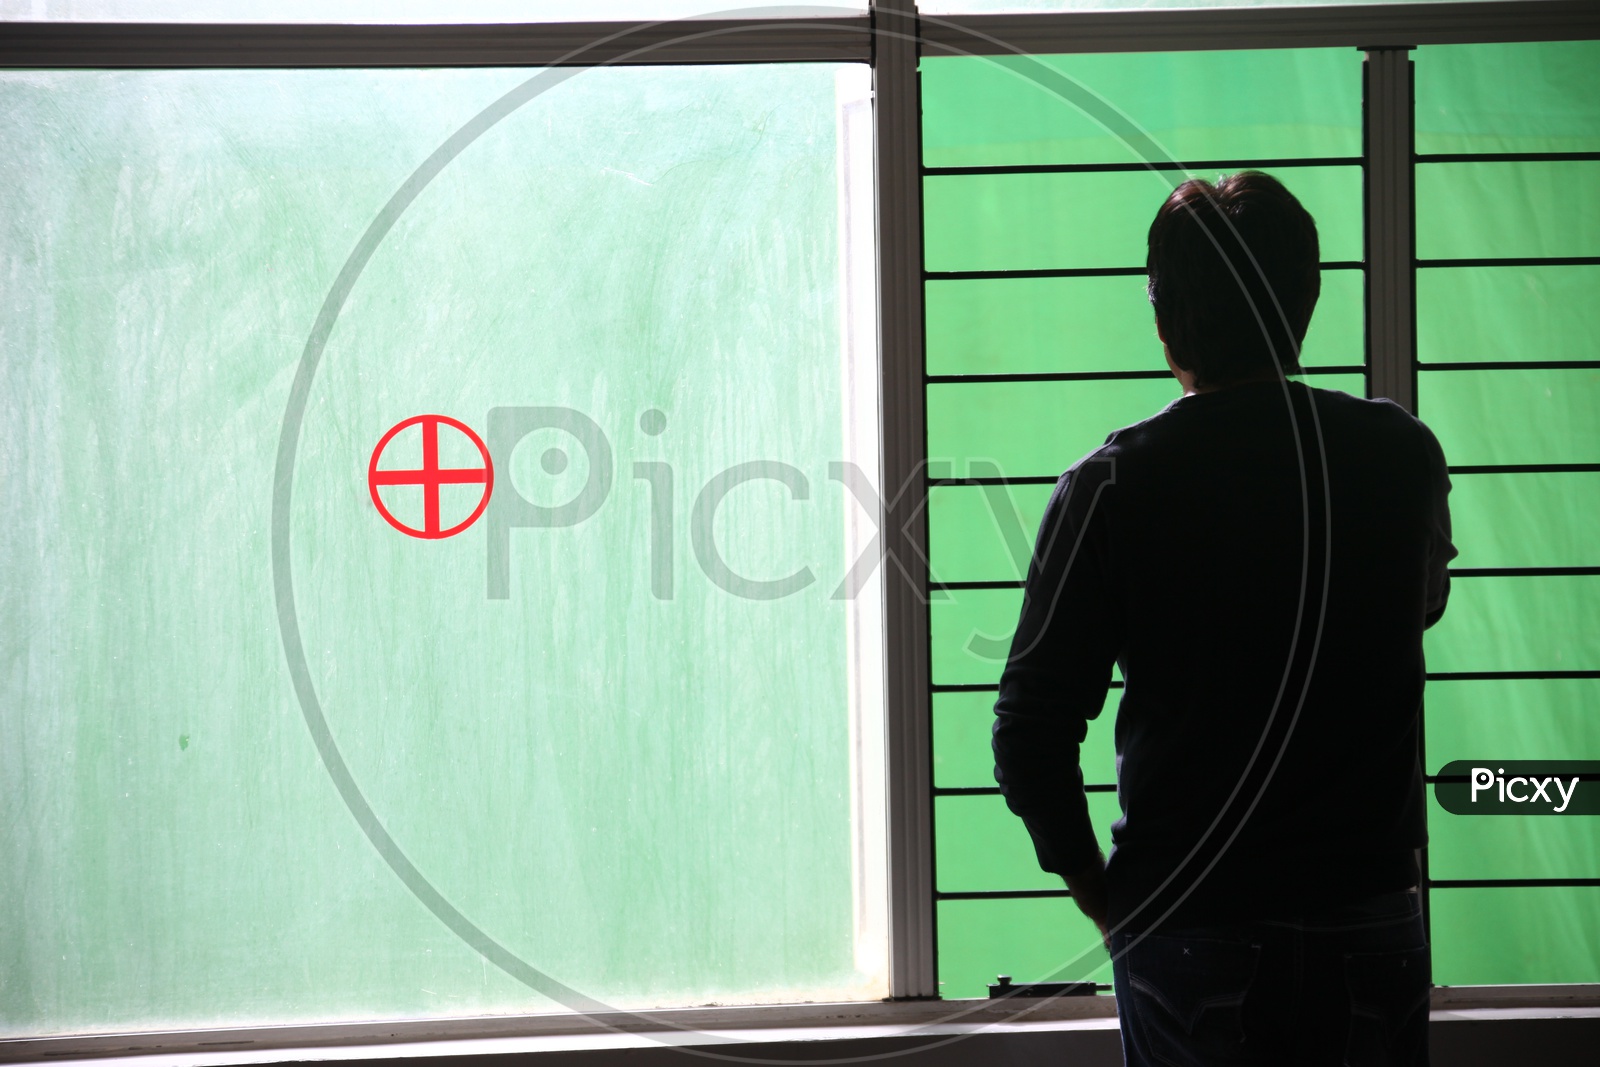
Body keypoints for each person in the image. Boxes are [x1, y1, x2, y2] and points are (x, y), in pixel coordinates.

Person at [992, 171, 1455, 1065]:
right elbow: (1422, 604)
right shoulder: (1400, 456)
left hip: (1189, 919)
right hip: (1367, 914)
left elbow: (1028, 732)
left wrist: (1108, 899)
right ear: (1306, 303)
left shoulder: (1112, 487)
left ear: (1164, 319)